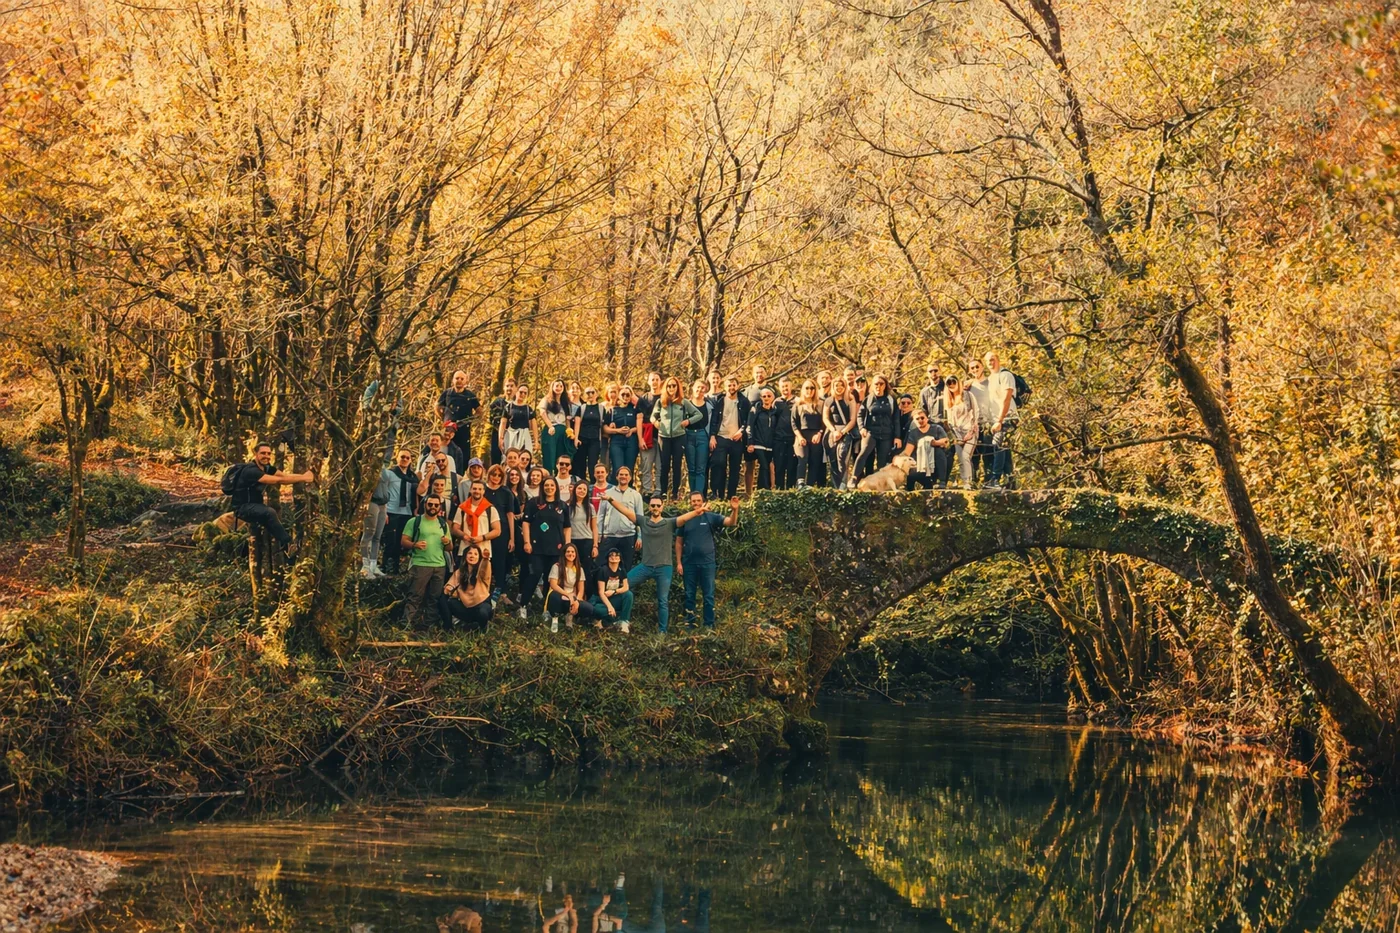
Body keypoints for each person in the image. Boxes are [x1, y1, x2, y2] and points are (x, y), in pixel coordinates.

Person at [626, 494, 701, 634]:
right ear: (649, 507)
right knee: (624, 585)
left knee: (663, 600)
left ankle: (662, 632)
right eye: (653, 505)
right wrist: (610, 500)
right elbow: (626, 512)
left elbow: (684, 518)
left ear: (662, 507)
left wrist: (697, 512)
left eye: (658, 505)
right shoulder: (643, 521)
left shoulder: (669, 523)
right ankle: (622, 619)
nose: (655, 508)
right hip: (645, 566)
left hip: (664, 567)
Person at [226, 442, 316, 551]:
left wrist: (305, 476)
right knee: (270, 512)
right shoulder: (251, 471)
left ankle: (286, 552)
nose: (266, 456)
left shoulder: (267, 468)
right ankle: (288, 544)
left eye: (269, 454)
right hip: (242, 508)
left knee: (270, 523)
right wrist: (304, 478)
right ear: (256, 454)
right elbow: (280, 480)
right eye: (263, 453)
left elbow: (284, 475)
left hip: (256, 507)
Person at [677, 492, 740, 629]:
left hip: (707, 563)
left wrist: (735, 510)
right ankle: (690, 624)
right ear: (690, 503)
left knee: (709, 595)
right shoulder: (685, 519)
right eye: (693, 501)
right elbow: (678, 543)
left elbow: (731, 522)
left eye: (698, 500)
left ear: (703, 501)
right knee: (689, 594)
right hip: (689, 564)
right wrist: (679, 562)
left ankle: (709, 626)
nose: (696, 503)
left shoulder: (710, 517)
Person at [519, 476, 569, 620]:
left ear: (556, 487)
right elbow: (526, 523)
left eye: (552, 485)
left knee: (551, 578)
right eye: (546, 485)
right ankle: (523, 605)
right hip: (537, 547)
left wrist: (567, 546)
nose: (549, 488)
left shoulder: (562, 506)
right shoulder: (534, 503)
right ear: (542, 487)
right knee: (535, 574)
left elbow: (567, 528)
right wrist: (526, 542)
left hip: (557, 548)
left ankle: (547, 609)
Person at [401, 495, 453, 628]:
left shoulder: (443, 524)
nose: (433, 507)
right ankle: (406, 625)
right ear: (425, 504)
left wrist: (447, 542)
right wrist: (415, 545)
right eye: (430, 504)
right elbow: (403, 541)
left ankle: (427, 625)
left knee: (434, 598)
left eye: (436, 505)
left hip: (439, 565)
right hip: (420, 564)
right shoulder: (415, 521)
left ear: (440, 507)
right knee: (415, 596)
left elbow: (450, 547)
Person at [651, 376, 704, 501]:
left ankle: (675, 493)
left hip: (679, 437)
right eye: (669, 386)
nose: (671, 388)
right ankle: (663, 493)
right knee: (664, 466)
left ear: (677, 387)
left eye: (674, 385)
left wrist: (687, 421)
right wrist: (655, 422)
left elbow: (699, 414)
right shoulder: (660, 401)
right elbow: (653, 416)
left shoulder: (683, 402)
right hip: (663, 437)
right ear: (666, 387)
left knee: (676, 465)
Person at [707, 375, 750, 499]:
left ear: (738, 386)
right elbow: (714, 420)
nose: (731, 387)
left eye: (733, 385)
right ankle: (717, 494)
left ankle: (731, 495)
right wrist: (713, 436)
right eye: (729, 385)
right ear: (725, 387)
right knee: (718, 464)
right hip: (721, 437)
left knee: (735, 468)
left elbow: (748, 420)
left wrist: (742, 432)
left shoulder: (744, 401)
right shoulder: (720, 401)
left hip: (736, 439)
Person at [594, 466, 643, 573]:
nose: (623, 477)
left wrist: (640, 537)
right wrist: (598, 536)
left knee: (626, 567)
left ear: (630, 478)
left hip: (628, 535)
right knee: (602, 565)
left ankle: (624, 589)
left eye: (626, 475)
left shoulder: (636, 495)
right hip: (610, 535)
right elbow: (601, 515)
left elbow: (640, 517)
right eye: (621, 474)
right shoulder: (608, 493)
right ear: (616, 477)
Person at [984, 350, 1020, 488]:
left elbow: (1006, 398)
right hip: (996, 419)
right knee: (1004, 448)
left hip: (1008, 417)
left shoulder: (1005, 375)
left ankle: (995, 478)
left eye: (992, 359)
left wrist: (999, 420)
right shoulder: (991, 378)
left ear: (998, 360)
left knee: (998, 444)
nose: (990, 363)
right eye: (988, 361)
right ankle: (1010, 480)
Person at [854, 373, 899, 478]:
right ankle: (854, 477)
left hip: (886, 434)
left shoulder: (891, 399)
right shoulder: (868, 399)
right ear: (872, 386)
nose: (878, 386)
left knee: (882, 461)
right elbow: (860, 414)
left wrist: (897, 436)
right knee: (863, 453)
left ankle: (880, 485)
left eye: (881, 384)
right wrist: (861, 428)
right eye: (876, 384)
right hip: (871, 432)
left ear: (885, 385)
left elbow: (896, 419)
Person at [545, 543, 599, 632]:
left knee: (589, 609)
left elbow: (581, 589)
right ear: (564, 554)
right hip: (559, 595)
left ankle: (570, 617)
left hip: (573, 598)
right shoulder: (557, 566)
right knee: (555, 597)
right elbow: (553, 585)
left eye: (573, 552)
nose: (571, 554)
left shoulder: (579, 569)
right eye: (568, 552)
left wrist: (577, 601)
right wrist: (568, 595)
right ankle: (555, 619)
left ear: (576, 554)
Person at [380, 449, 419, 574]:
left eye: (408, 458)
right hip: (391, 511)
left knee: (401, 542)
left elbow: (417, 494)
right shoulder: (389, 473)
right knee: (390, 540)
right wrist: (383, 511)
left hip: (407, 513)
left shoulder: (412, 477)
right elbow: (382, 492)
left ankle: (396, 568)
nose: (405, 459)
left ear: (411, 460)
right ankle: (385, 566)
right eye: (402, 457)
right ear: (397, 458)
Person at [439, 543, 492, 630]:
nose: (472, 556)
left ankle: (482, 627)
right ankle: (449, 627)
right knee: (444, 599)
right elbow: (449, 586)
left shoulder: (481, 570)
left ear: (479, 557)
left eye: (475, 554)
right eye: (470, 553)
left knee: (483, 612)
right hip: (466, 607)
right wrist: (449, 590)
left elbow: (485, 568)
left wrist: (485, 559)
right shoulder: (459, 572)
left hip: (481, 604)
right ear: (465, 556)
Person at [483, 464, 516, 601]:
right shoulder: (482, 490)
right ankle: (484, 589)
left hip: (502, 530)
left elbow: (510, 515)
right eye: (493, 474)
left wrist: (512, 538)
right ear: (489, 474)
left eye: (499, 475)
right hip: (484, 529)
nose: (496, 477)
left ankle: (501, 591)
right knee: (485, 559)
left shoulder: (506, 492)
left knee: (500, 560)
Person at [359, 459, 396, 578]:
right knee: (369, 533)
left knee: (377, 536)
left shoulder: (385, 469)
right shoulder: (369, 467)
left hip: (383, 504)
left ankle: (373, 566)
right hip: (372, 502)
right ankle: (365, 565)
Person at [741, 364, 772, 496]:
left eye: (761, 372)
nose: (759, 375)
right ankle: (749, 494)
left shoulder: (770, 389)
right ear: (753, 374)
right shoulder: (747, 390)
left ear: (765, 373)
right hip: (751, 431)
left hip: (766, 433)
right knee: (750, 465)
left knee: (769, 464)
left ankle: (769, 491)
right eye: (757, 372)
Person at [454, 479, 501, 564]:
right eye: (474, 488)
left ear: (483, 491)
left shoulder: (490, 509)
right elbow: (455, 528)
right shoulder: (462, 508)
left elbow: (497, 530)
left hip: (483, 551)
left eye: (480, 489)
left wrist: (482, 538)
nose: (477, 491)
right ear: (470, 490)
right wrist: (464, 536)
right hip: (465, 550)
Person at [823, 378, 858, 490]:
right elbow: (825, 418)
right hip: (832, 431)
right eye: (836, 385)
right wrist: (833, 431)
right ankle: (835, 485)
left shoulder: (850, 399)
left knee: (842, 455)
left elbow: (853, 419)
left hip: (845, 430)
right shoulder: (829, 400)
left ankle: (843, 482)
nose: (839, 388)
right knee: (832, 458)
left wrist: (842, 432)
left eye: (841, 385)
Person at [902, 407, 950, 489]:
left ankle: (941, 481)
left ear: (927, 418)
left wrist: (934, 443)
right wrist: (897, 459)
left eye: (922, 418)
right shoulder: (913, 433)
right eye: (917, 419)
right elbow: (907, 452)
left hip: (936, 464)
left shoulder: (936, 428)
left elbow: (946, 442)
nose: (920, 420)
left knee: (938, 451)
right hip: (921, 465)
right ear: (914, 421)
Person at [945, 376, 979, 488]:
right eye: (948, 383)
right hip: (957, 433)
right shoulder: (948, 400)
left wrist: (971, 431)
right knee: (960, 458)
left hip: (970, 430)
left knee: (965, 456)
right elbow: (949, 421)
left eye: (953, 381)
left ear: (958, 382)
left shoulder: (968, 395)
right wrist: (956, 436)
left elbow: (975, 412)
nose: (951, 384)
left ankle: (969, 482)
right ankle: (965, 482)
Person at [745, 387, 781, 490]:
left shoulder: (775, 412)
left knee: (767, 467)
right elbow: (749, 425)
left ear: (773, 397)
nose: (766, 398)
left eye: (769, 396)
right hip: (758, 443)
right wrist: (750, 442)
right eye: (764, 396)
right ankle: (763, 490)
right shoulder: (756, 410)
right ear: (761, 397)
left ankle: (766, 490)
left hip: (769, 445)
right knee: (764, 466)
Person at [792, 379, 826, 488]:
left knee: (815, 461)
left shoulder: (821, 404)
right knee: (802, 458)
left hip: (816, 436)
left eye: (812, 388)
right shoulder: (797, 404)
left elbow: (824, 422)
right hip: (801, 436)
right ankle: (800, 483)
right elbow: (793, 423)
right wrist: (799, 437)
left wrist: (819, 434)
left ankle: (810, 485)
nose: (809, 390)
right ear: (803, 389)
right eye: (807, 388)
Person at [437, 371, 481, 453]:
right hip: (448, 430)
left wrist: (470, 420)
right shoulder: (447, 393)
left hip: (464, 431)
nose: (459, 380)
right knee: (446, 453)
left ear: (466, 381)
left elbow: (479, 411)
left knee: (463, 454)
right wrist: (443, 418)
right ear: (453, 380)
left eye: (462, 379)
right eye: (457, 378)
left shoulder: (470, 395)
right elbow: (437, 407)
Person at [635, 372, 663, 497]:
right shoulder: (644, 399)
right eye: (652, 379)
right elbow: (639, 420)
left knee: (660, 465)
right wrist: (640, 439)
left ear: (661, 381)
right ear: (648, 382)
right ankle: (646, 491)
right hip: (647, 436)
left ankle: (659, 490)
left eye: (657, 379)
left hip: (663, 436)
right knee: (646, 465)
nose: (655, 382)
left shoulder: (665, 397)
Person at [591, 548, 633, 632]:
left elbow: (626, 587)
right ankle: (615, 619)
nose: (614, 557)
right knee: (597, 610)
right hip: (601, 600)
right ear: (608, 558)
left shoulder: (622, 570)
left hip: (613, 598)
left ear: (620, 558)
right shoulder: (603, 570)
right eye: (611, 555)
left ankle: (623, 621)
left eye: (617, 555)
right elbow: (601, 592)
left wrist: (614, 591)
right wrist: (610, 607)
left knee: (628, 594)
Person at [965, 358, 993, 484]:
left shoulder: (991, 382)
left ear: (982, 366)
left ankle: (989, 481)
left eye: (977, 366)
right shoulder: (968, 387)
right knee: (973, 455)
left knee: (988, 453)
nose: (975, 369)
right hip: (974, 425)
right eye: (972, 368)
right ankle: (973, 481)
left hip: (989, 423)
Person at [606, 385, 640, 482]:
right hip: (616, 442)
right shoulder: (612, 410)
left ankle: (628, 493)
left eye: (627, 395)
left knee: (629, 469)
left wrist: (631, 430)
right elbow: (605, 428)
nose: (625, 397)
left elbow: (640, 426)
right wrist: (617, 430)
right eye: (623, 394)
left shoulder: (634, 410)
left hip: (631, 441)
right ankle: (615, 492)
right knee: (618, 468)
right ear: (619, 396)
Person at [539, 379, 573, 473]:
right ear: (552, 387)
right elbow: (542, 413)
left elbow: (567, 418)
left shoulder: (566, 402)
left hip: (563, 431)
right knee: (550, 457)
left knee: (561, 458)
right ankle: (548, 477)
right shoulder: (547, 399)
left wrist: (569, 431)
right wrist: (550, 426)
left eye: (561, 386)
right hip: (551, 430)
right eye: (556, 386)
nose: (558, 388)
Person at [685, 380, 712, 498]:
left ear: (705, 390)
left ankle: (699, 496)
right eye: (697, 387)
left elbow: (713, 423)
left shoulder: (709, 406)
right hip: (688, 436)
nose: (699, 390)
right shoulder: (686, 404)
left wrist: (711, 437)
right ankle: (692, 496)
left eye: (702, 388)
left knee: (701, 468)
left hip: (703, 436)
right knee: (691, 468)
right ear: (693, 388)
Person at [566, 478, 596, 579]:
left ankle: (586, 594)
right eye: (579, 488)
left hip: (587, 541)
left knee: (586, 570)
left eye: (584, 489)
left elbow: (594, 528)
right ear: (574, 489)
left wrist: (595, 546)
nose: (582, 491)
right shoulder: (567, 506)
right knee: (571, 568)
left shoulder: (590, 507)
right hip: (572, 541)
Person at [573, 386, 606, 480]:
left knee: (593, 464)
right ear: (584, 395)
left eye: (592, 392)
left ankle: (593, 485)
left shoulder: (601, 408)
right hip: (582, 439)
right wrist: (576, 438)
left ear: (597, 394)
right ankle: (580, 484)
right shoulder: (582, 408)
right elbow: (577, 423)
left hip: (595, 439)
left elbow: (604, 424)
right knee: (580, 464)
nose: (590, 395)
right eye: (588, 393)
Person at [773, 376, 798, 490]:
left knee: (792, 467)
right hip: (778, 439)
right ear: (780, 388)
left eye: (787, 386)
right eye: (782, 387)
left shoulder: (797, 401)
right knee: (779, 467)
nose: (785, 389)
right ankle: (779, 491)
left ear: (791, 386)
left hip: (793, 439)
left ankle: (791, 491)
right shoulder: (776, 402)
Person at [500, 383, 538, 457]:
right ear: (517, 392)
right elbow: (503, 423)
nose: (522, 394)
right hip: (511, 434)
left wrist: (536, 441)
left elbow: (534, 425)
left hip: (525, 435)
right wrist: (500, 438)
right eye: (521, 392)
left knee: (526, 456)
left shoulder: (528, 409)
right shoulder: (509, 407)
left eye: (525, 393)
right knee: (510, 456)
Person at [488, 378, 516, 465]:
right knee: (496, 458)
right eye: (507, 386)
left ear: (516, 388)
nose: (509, 388)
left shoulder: (518, 404)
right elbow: (492, 418)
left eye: (512, 386)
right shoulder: (497, 402)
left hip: (514, 434)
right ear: (504, 388)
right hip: (497, 433)